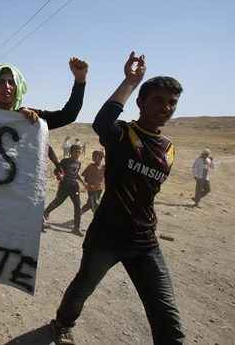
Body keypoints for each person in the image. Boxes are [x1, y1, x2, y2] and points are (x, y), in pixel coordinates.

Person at [49, 52, 185, 345]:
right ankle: (62, 324)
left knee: (167, 317)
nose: (166, 107)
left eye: (172, 102)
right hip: (106, 238)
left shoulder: (168, 150)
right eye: (159, 100)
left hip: (145, 243)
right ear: (141, 103)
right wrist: (131, 81)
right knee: (81, 290)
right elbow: (102, 121)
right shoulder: (123, 134)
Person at [0, 57, 88, 344]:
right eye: (1, 82)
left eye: (11, 82)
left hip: (10, 208)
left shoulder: (29, 117)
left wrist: (79, 81)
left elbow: (68, 114)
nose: (7, 86)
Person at [43, 144, 86, 236]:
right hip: (64, 186)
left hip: (74, 186)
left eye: (79, 151)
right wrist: (58, 175)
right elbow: (56, 170)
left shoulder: (79, 163)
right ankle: (46, 212)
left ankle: (76, 228)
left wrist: (83, 182)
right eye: (76, 151)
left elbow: (76, 174)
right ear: (71, 152)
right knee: (58, 202)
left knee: (78, 206)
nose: (78, 153)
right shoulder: (65, 161)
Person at [80, 150, 105, 215]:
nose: (93, 157)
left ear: (100, 158)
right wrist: (87, 184)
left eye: (95, 156)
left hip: (99, 189)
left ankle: (78, 213)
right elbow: (85, 177)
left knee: (90, 204)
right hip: (91, 189)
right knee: (94, 204)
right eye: (93, 156)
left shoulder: (104, 167)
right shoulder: (90, 166)